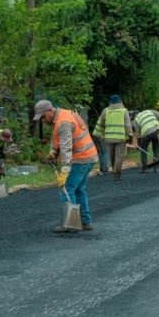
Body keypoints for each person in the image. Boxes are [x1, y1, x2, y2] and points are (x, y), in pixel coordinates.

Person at [34, 99, 98, 232]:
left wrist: (64, 170)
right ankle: (85, 222)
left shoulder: (63, 122)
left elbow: (66, 147)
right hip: (89, 157)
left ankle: (72, 224)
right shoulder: (64, 114)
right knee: (80, 189)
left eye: (43, 117)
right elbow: (58, 139)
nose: (43, 120)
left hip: (80, 158)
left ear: (50, 110)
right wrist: (53, 152)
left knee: (67, 188)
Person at [93, 94, 133, 181]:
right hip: (121, 138)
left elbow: (101, 123)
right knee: (119, 156)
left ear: (110, 102)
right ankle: (116, 173)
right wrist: (130, 136)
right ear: (120, 101)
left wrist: (101, 134)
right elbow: (127, 124)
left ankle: (114, 171)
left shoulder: (106, 111)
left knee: (112, 156)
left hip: (109, 138)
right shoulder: (124, 111)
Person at [133, 108, 159, 173]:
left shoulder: (136, 120)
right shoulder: (149, 111)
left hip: (146, 133)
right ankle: (156, 168)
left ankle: (145, 169)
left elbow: (138, 135)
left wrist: (139, 146)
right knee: (156, 149)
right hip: (156, 130)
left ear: (134, 115)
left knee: (143, 150)